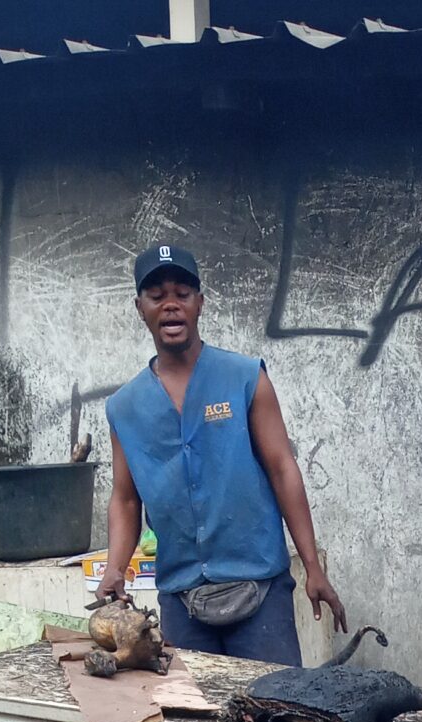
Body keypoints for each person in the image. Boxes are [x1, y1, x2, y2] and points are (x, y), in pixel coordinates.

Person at [98, 242, 345, 663]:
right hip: (182, 599)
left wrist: (312, 566)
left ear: (200, 304)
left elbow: (282, 468)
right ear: (140, 308)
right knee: (196, 719)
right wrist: (114, 568)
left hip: (260, 590)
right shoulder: (124, 407)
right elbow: (125, 498)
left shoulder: (244, 378)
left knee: (277, 715)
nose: (171, 305)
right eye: (157, 296)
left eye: (182, 294)